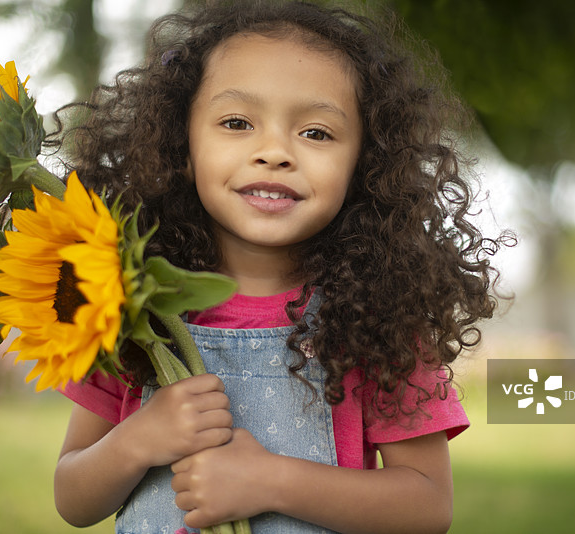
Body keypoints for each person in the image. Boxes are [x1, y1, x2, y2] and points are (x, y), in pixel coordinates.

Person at [52, 1, 505, 533]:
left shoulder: (380, 320)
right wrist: (135, 440)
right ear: (184, 143)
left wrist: (269, 481)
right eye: (237, 122)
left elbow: (428, 507)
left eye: (316, 132)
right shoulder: (128, 305)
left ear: (365, 162)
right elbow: (72, 500)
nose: (274, 152)